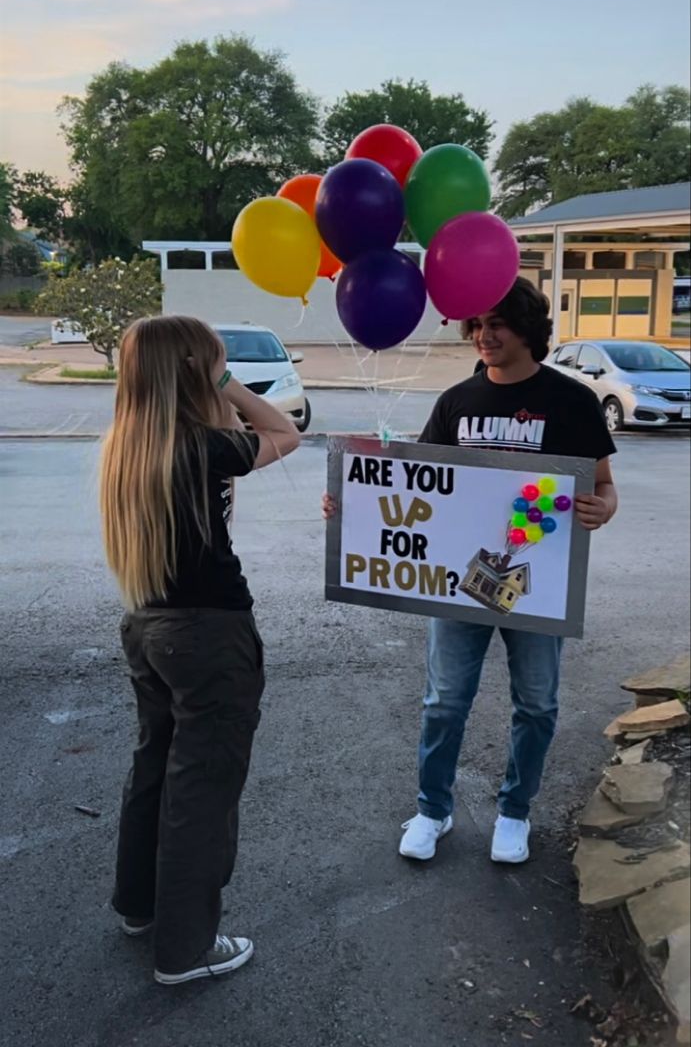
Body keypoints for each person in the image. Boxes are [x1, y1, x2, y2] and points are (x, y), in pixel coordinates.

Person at [324, 278, 617, 866]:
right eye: (476, 324)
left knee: (536, 704)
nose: (484, 335)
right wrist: (351, 502)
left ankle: (515, 813)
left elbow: (604, 489)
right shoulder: (456, 401)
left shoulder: (572, 401)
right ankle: (433, 809)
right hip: (458, 585)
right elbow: (418, 486)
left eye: (497, 323)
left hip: (539, 586)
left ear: (528, 328)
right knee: (444, 703)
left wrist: (600, 508)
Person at [100, 315, 300, 985]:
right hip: (209, 634)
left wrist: (206, 377)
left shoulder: (127, 445)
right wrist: (229, 383)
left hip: (148, 626)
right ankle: (185, 949)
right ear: (194, 371)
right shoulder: (202, 446)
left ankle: (139, 905)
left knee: (155, 768)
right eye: (212, 363)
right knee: (203, 792)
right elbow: (285, 432)